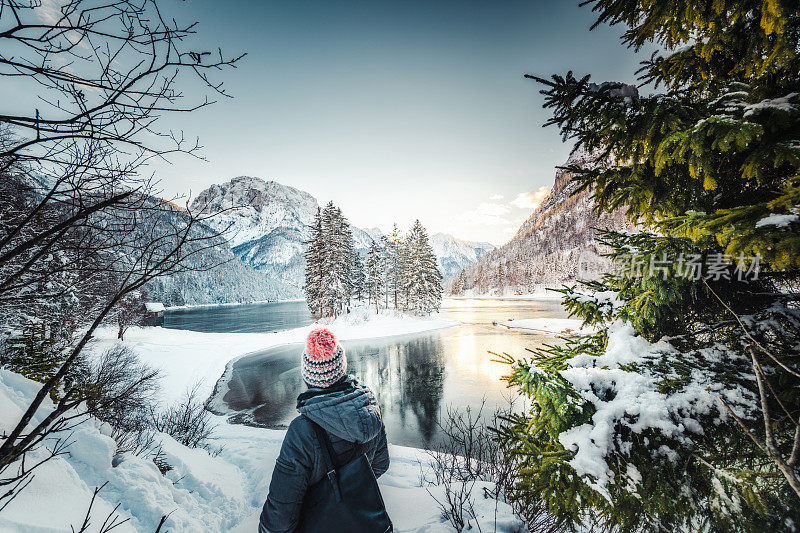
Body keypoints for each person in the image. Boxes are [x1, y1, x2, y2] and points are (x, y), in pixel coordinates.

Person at [259, 327, 390, 533]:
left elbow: (280, 516)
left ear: (308, 376)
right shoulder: (370, 408)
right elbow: (381, 464)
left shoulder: (302, 430)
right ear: (341, 368)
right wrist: (350, 488)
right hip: (363, 521)